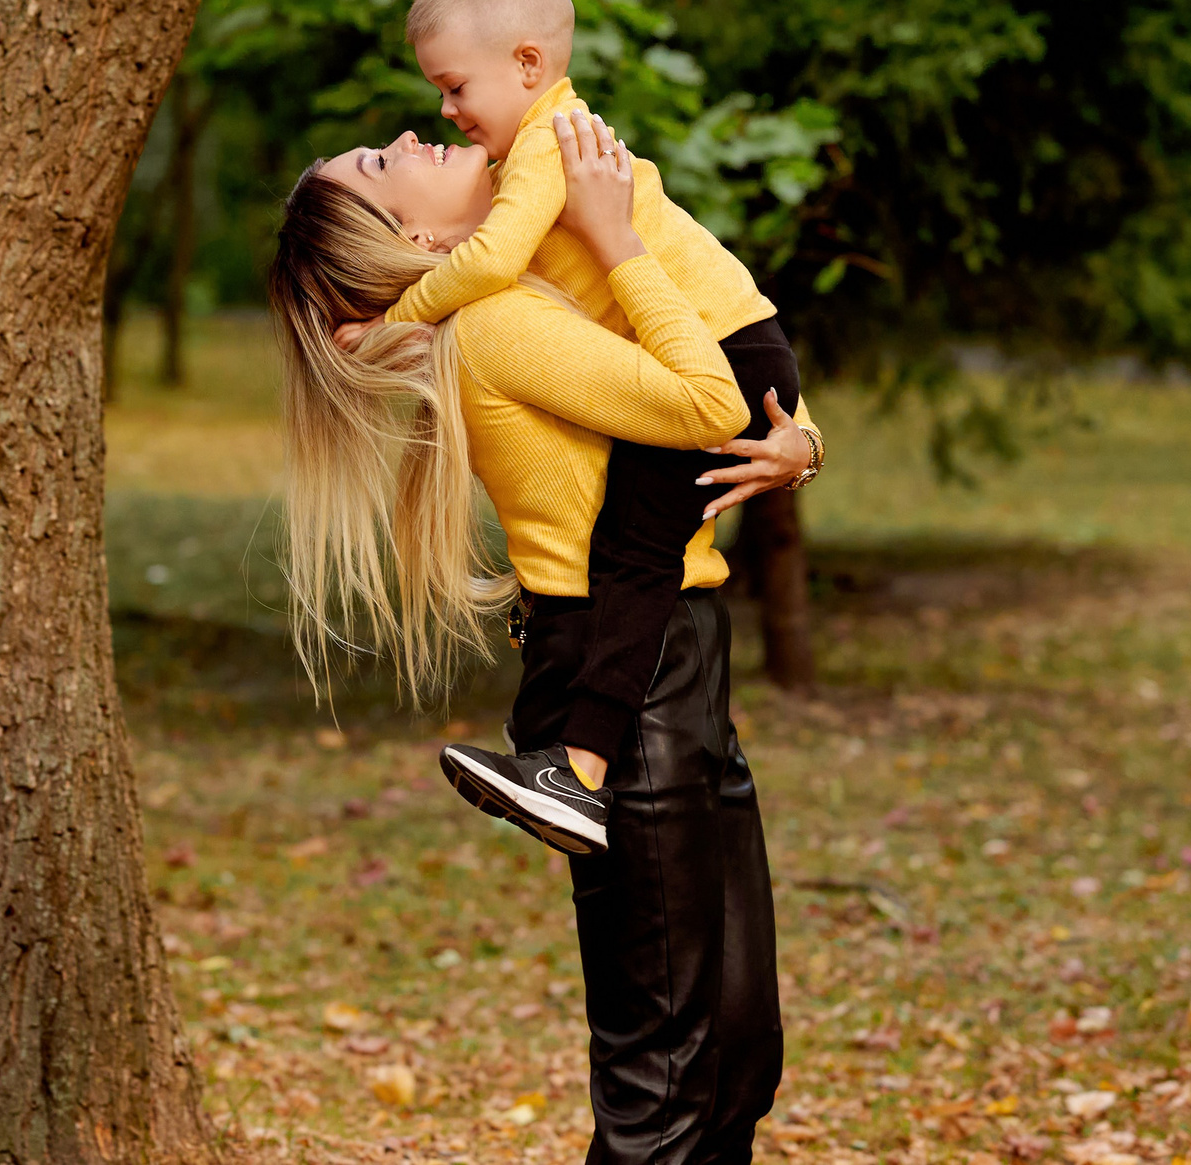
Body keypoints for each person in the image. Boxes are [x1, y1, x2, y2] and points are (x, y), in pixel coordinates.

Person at [269, 109, 812, 1165]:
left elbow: (716, 426)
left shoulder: (515, 294)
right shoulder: (500, 324)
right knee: (667, 1076)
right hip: (629, 690)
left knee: (733, 1054)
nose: (411, 132)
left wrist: (799, 441)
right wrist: (620, 237)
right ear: (417, 245)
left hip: (673, 661)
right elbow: (706, 401)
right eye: (382, 164)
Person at [344, 0, 820, 819]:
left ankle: (583, 767)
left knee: (633, 554)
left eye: (454, 87)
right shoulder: (555, 137)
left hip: (727, 351)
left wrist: (394, 320)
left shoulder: (548, 148)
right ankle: (565, 760)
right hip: (732, 344)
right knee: (629, 547)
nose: (443, 111)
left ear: (526, 64)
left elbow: (490, 260)